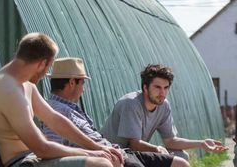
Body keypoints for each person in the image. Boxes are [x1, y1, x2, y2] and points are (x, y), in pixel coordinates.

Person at [0, 32, 123, 167]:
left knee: (113, 160)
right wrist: (91, 154)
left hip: (33, 157)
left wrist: (97, 147)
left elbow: (54, 119)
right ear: (42, 64)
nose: (45, 74)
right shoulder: (8, 90)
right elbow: (42, 149)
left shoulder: (24, 83)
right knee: (102, 164)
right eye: (48, 67)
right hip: (21, 162)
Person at [42, 57, 189, 167]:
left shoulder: (70, 108)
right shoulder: (56, 110)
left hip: (121, 152)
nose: (83, 89)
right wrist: (94, 154)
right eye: (83, 83)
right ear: (72, 82)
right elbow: (52, 149)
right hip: (111, 157)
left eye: (166, 88)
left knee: (180, 163)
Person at [100, 64, 227, 161]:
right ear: (145, 87)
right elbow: (134, 145)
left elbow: (170, 141)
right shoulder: (131, 103)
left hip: (133, 154)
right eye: (157, 87)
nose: (162, 93)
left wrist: (201, 144)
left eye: (166, 88)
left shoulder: (163, 105)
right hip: (113, 153)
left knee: (181, 156)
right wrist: (156, 149)